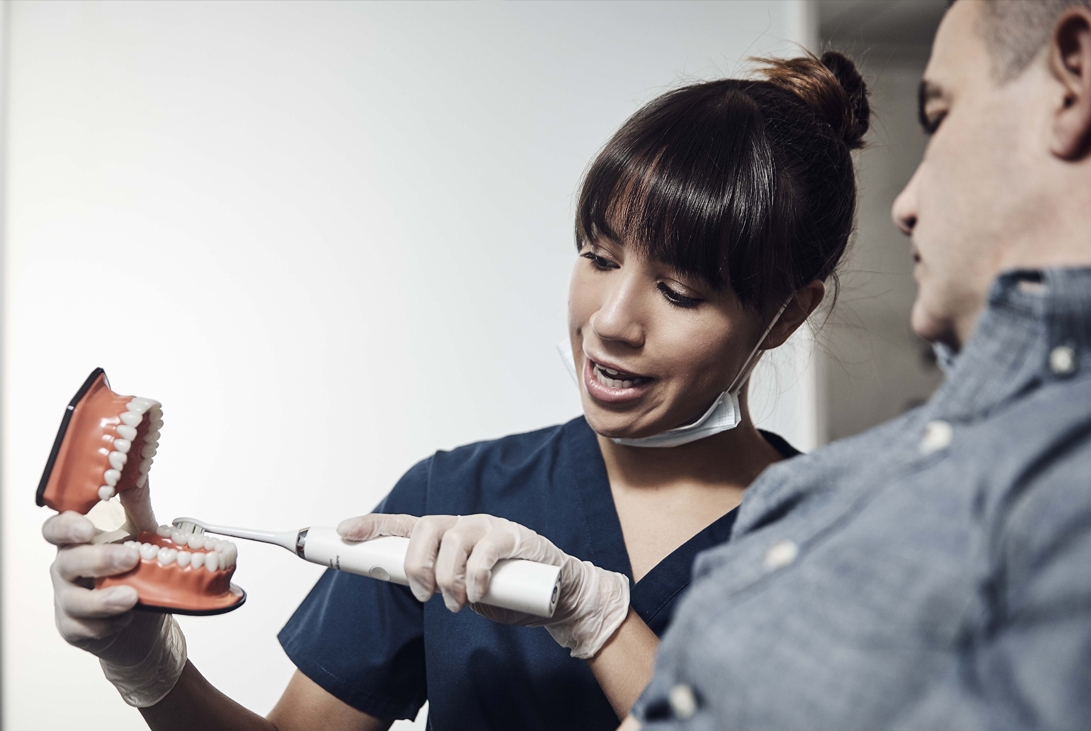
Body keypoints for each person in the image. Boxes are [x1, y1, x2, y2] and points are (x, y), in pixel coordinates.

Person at [44, 50, 871, 730]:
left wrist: (596, 616)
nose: (610, 320)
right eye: (598, 256)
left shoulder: (842, 546)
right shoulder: (456, 495)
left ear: (784, 317)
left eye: (681, 291)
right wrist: (147, 666)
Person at [624, 0, 1091, 728]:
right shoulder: (814, 492)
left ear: (1074, 78)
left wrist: (598, 624)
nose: (902, 205)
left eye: (937, 117)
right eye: (595, 254)